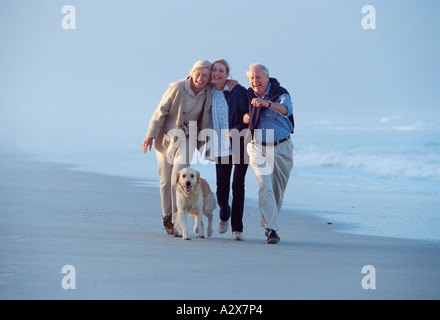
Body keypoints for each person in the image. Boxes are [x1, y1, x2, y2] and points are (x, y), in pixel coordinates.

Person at [140, 60, 213, 235]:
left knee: (179, 174)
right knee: (166, 180)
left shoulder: (209, 90)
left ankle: (176, 218)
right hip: (167, 137)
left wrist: (231, 81)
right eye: (198, 74)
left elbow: (224, 84)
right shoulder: (178, 87)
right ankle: (167, 215)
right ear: (191, 72)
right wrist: (150, 135)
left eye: (205, 75)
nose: (201, 78)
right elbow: (160, 111)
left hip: (190, 136)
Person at [243, 63, 294, 244]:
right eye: (252, 78)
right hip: (258, 146)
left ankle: (268, 221)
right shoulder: (248, 94)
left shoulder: (280, 93)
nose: (255, 81)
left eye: (258, 77)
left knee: (278, 190)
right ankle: (272, 229)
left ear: (267, 77)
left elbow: (287, 110)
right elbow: (242, 114)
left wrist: (268, 104)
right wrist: (246, 117)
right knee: (265, 185)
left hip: (282, 147)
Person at [208, 59, 249, 241]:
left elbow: (247, 116)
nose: (217, 73)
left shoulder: (236, 91)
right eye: (214, 70)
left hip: (240, 144)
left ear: (227, 74)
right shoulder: (207, 93)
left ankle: (237, 228)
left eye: (221, 71)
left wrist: (237, 129)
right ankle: (225, 214)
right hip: (220, 146)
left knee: (238, 186)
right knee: (222, 189)